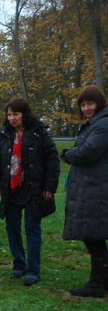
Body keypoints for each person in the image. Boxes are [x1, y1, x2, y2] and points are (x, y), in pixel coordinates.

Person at [0, 98, 59, 286]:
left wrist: (49, 187)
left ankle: (33, 269)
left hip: (34, 189)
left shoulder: (39, 132)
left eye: (16, 114)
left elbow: (52, 160)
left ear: (24, 113)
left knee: (32, 228)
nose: (12, 118)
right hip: (11, 190)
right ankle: (19, 265)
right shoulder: (4, 135)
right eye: (9, 114)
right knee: (12, 227)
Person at [61, 85, 108, 298]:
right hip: (92, 186)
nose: (86, 108)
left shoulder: (103, 124)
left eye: (90, 103)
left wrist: (68, 153)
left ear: (99, 103)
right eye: (83, 104)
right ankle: (101, 281)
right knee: (94, 237)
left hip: (96, 188)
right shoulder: (94, 124)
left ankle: (97, 283)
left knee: (94, 236)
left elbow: (89, 152)